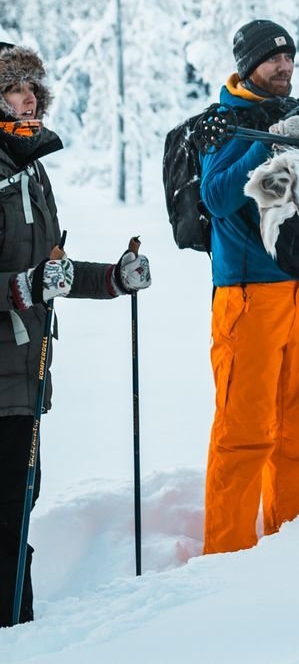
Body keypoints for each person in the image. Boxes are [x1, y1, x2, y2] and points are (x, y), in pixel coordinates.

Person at [0, 43, 151, 625]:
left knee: (17, 510)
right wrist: (23, 287)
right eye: (15, 89)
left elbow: (49, 273)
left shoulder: (31, 172)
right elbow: (28, 281)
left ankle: (18, 631)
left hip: (26, 376)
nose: (29, 98)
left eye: (33, 89)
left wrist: (113, 278)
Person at [199, 19, 299, 555]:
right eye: (274, 59)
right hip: (247, 296)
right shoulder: (221, 125)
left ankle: (294, 544)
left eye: (290, 58)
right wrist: (264, 144)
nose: (285, 67)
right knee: (244, 432)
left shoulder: (296, 114)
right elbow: (218, 197)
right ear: (249, 65)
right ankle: (225, 556)